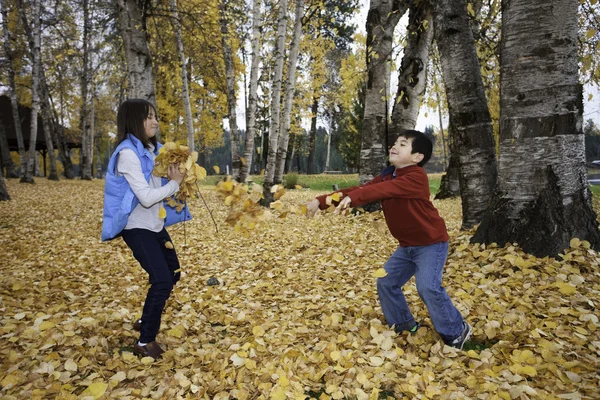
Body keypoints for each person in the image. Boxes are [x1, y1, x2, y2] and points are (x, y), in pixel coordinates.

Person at [305, 130, 472, 349]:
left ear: (417, 157)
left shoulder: (416, 177)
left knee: (428, 287)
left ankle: (457, 331)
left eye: (402, 144)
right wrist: (322, 201)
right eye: (394, 143)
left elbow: (383, 190)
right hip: (407, 247)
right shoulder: (388, 174)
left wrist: (353, 198)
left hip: (431, 244)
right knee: (386, 282)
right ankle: (404, 325)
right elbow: (364, 188)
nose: (394, 146)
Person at [102, 99, 191, 359]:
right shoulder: (127, 153)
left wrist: (183, 172)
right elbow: (145, 196)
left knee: (172, 273)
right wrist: (174, 184)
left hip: (154, 224)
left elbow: (168, 173)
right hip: (136, 227)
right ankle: (144, 342)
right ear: (134, 120)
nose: (155, 121)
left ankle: (145, 319)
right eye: (149, 117)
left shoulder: (152, 149)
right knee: (161, 279)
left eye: (155, 116)